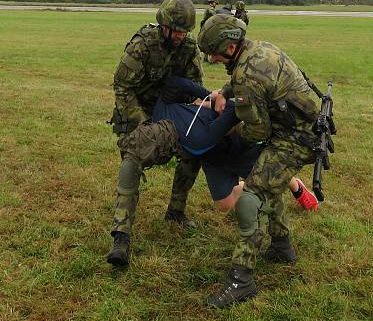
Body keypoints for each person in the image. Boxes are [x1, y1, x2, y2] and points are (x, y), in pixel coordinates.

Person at [106, 76, 317, 267]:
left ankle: (295, 186)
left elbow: (178, 84)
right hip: (215, 155)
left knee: (268, 176)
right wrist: (210, 103)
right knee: (224, 204)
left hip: (237, 145)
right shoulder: (191, 137)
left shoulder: (169, 114)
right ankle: (251, 184)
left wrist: (210, 96)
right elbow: (224, 113)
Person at [197, 14, 322, 308]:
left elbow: (257, 131)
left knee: (251, 197)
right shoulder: (258, 49)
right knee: (268, 181)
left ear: (229, 47)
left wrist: (223, 130)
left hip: (295, 138)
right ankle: (282, 247)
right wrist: (225, 92)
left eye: (214, 53)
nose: (212, 59)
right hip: (297, 129)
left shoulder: (247, 77)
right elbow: (249, 83)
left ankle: (242, 280)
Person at [107, 0, 204, 265]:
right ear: (164, 26)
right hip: (137, 113)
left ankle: (176, 211)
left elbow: (192, 89)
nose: (180, 37)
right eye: (177, 31)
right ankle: (121, 235)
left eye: (185, 32)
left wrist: (187, 120)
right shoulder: (142, 46)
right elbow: (122, 88)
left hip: (171, 113)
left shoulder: (189, 48)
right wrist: (144, 124)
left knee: (193, 152)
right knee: (133, 160)